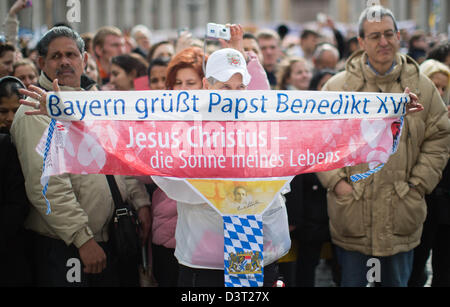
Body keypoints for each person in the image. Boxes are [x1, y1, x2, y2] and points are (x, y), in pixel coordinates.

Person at [317, 5, 450, 287]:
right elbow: (320, 141)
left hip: (401, 214)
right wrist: (338, 183)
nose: (384, 42)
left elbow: (439, 137)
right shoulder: (337, 89)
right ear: (361, 42)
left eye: (389, 34)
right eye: (375, 36)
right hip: (352, 215)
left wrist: (417, 184)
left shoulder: (423, 87)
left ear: (399, 36)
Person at [11, 26, 151, 287]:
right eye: (55, 56)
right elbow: (48, 185)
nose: (64, 61)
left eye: (71, 54)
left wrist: (140, 201)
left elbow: (119, 158)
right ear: (40, 62)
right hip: (66, 245)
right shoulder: (35, 109)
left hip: (109, 239)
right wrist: (82, 239)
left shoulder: (95, 100)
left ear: (85, 60)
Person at [153, 35, 290, 286]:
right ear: (207, 84)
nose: (234, 95)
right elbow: (166, 176)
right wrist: (223, 190)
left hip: (258, 252)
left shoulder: (264, 124)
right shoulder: (185, 126)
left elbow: (285, 175)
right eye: (225, 87)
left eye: (240, 87)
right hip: (205, 260)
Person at [408, 59, 450, 287]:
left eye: (444, 88)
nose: (440, 92)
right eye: (435, 86)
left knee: (444, 269)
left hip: (445, 203)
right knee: (415, 267)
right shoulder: (412, 115)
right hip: (421, 200)